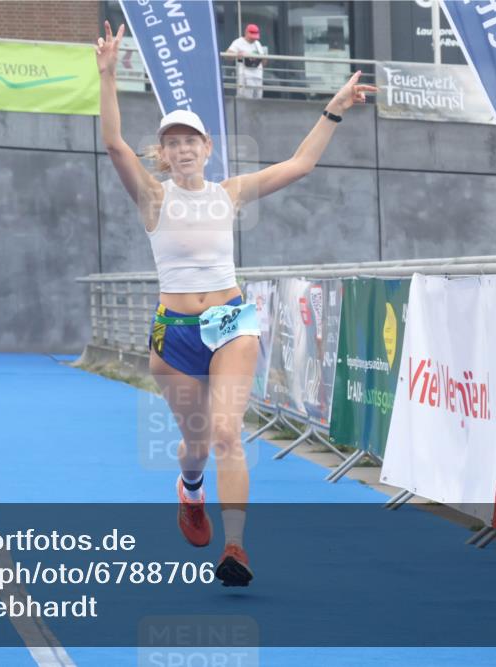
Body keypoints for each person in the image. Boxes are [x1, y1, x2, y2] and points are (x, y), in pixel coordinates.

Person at [96, 22, 375, 586]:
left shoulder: (230, 194)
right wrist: (106, 76)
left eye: (189, 142)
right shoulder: (153, 197)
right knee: (196, 443)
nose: (180, 150)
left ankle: (236, 548)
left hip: (229, 320)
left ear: (206, 148)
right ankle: (190, 488)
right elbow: (113, 144)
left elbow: (298, 166)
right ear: (164, 153)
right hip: (173, 332)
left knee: (227, 434)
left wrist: (335, 107)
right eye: (171, 143)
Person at [225, 24, 268, 100]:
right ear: (246, 33)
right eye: (251, 37)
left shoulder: (257, 44)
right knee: (245, 100)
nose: (253, 39)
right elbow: (227, 55)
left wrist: (263, 58)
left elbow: (264, 63)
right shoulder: (238, 42)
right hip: (245, 76)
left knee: (258, 99)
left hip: (257, 76)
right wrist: (237, 55)